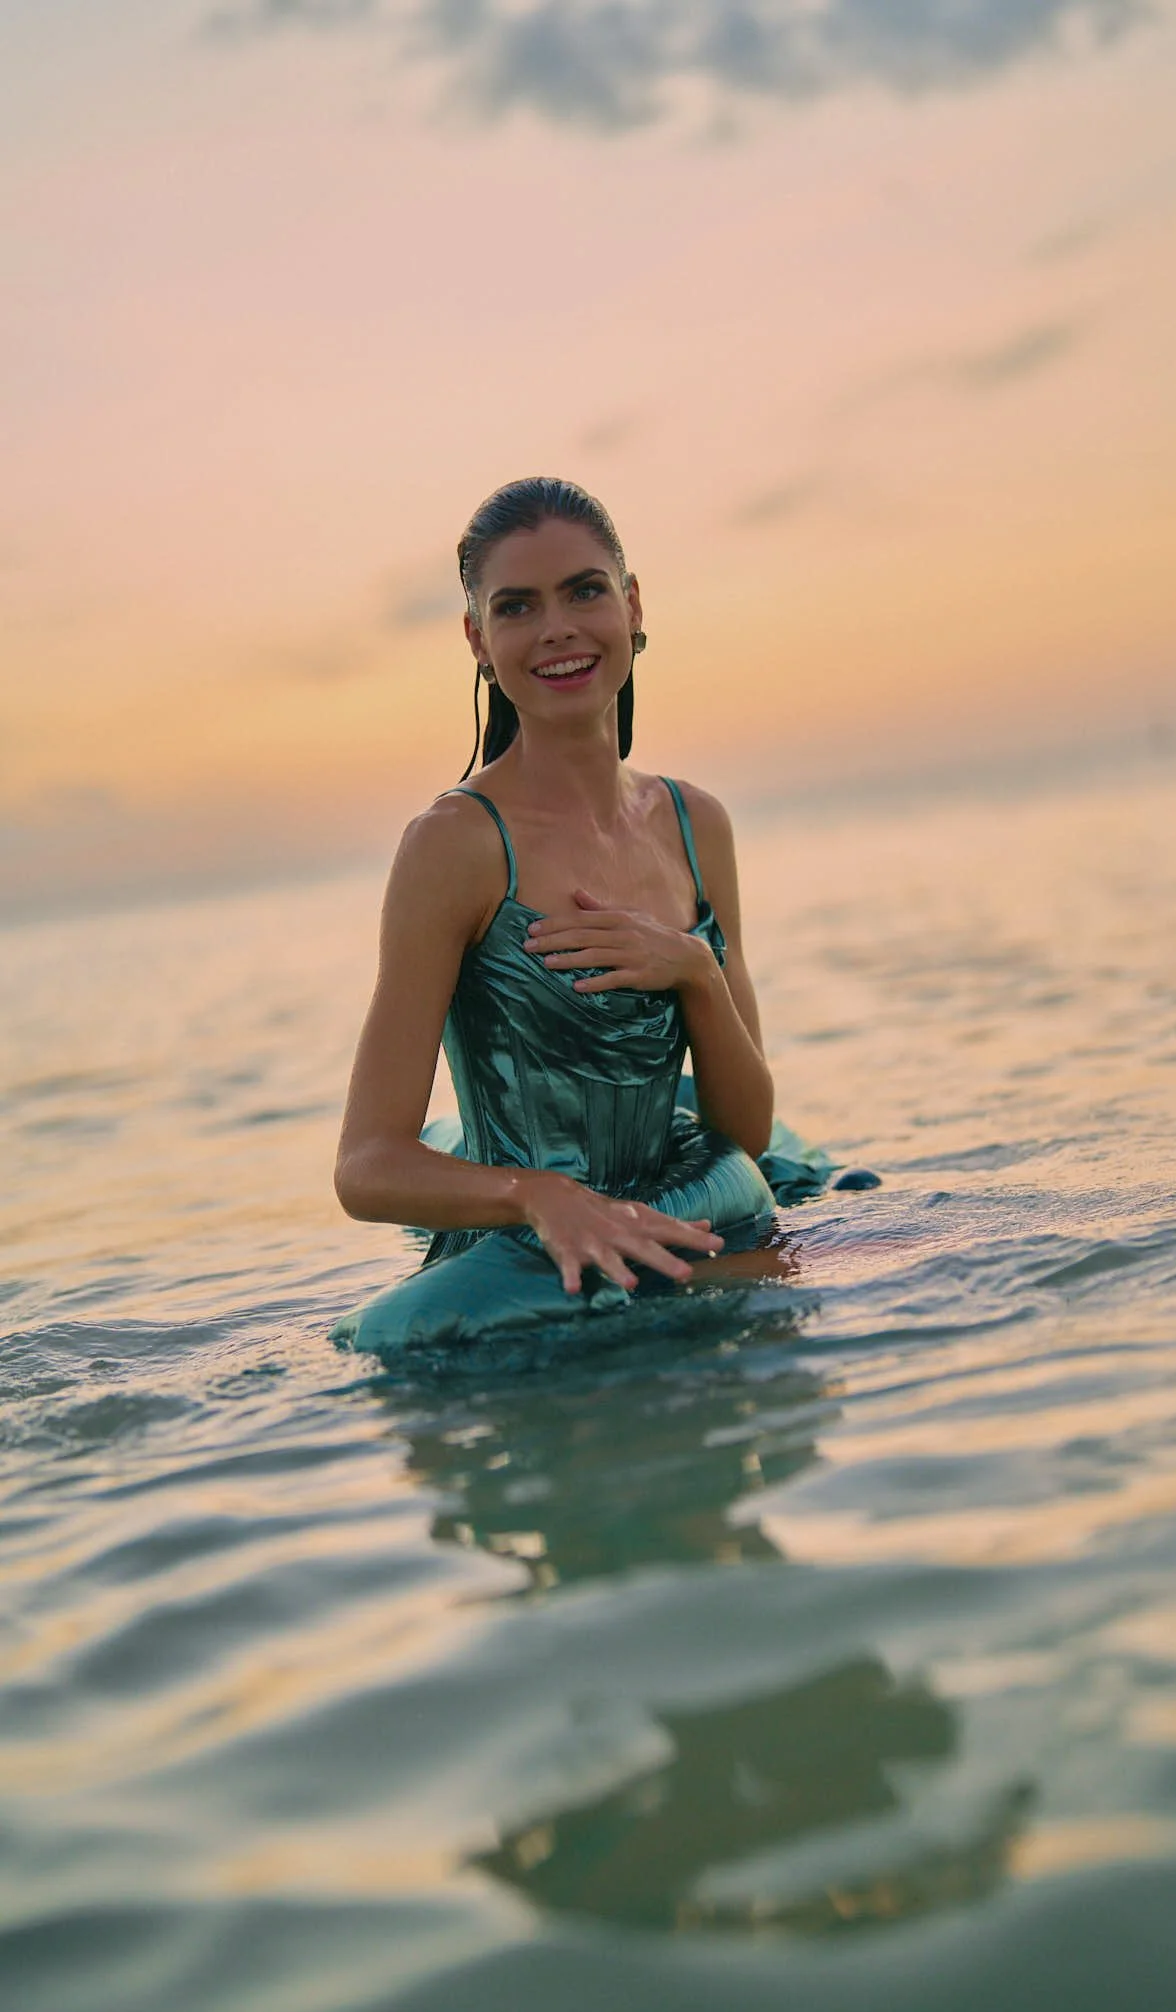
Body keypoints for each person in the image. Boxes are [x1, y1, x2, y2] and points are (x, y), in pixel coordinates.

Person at [330, 477, 823, 1358]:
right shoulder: (455, 845)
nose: (557, 628)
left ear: (632, 606)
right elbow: (366, 1165)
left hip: (685, 1197)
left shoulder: (693, 822)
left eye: (585, 590)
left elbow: (741, 1135)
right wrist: (536, 1197)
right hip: (528, 1246)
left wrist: (694, 971)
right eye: (518, 606)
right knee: (389, 1344)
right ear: (480, 640)